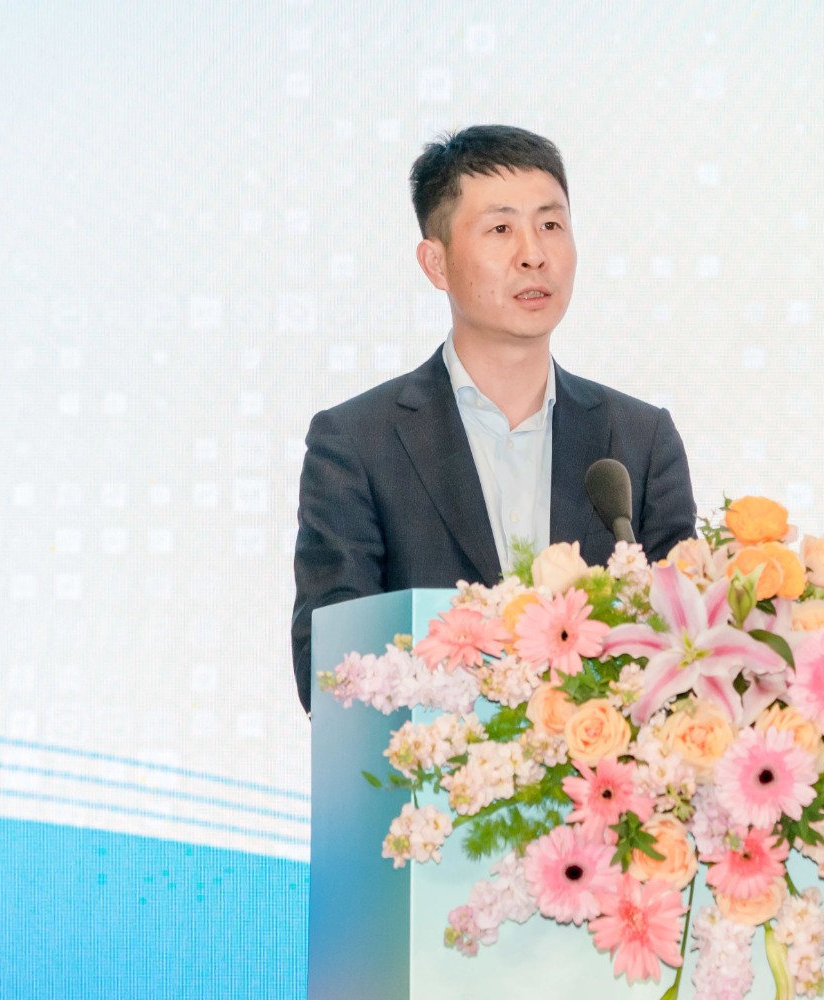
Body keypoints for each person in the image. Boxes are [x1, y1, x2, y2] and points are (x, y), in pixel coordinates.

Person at [290, 125, 697, 712]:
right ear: (436, 263)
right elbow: (331, 670)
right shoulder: (358, 444)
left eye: (551, 225)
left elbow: (687, 645)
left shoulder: (639, 440)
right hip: (428, 769)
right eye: (501, 229)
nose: (534, 254)